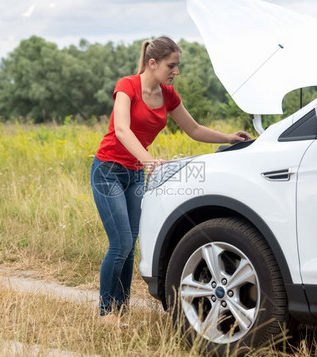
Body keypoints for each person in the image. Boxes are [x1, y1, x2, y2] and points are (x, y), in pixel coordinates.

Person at [90, 36, 251, 326]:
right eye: (171, 65)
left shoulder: (168, 95)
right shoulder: (127, 86)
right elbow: (123, 131)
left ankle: (120, 311)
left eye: (177, 66)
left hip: (135, 172)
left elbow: (193, 128)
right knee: (120, 243)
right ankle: (105, 312)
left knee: (130, 245)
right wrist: (149, 161)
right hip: (108, 170)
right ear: (153, 63)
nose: (176, 71)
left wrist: (228, 138)